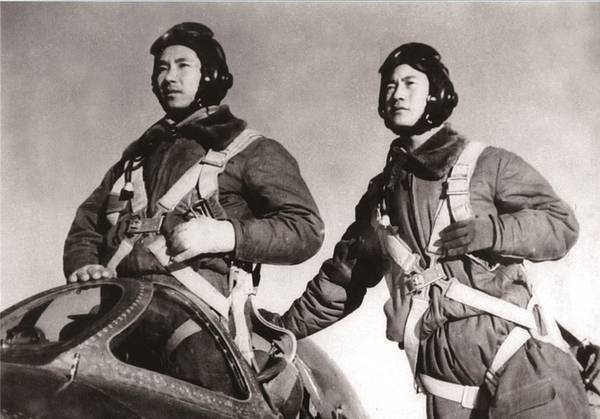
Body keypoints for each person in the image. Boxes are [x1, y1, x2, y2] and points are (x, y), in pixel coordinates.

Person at [274, 43, 597, 418]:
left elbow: (561, 224)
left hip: (524, 372)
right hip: (446, 391)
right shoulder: (381, 200)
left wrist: (493, 231)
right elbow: (342, 280)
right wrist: (282, 328)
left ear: (436, 93)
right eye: (390, 86)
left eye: (409, 83)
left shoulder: (486, 164)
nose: (397, 94)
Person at [62, 22, 323, 394]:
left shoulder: (250, 150)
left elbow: (305, 228)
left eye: (183, 65)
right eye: (162, 68)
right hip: (121, 320)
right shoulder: (135, 161)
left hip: (199, 327)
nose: (169, 77)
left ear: (211, 75)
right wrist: (84, 263)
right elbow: (87, 225)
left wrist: (226, 234)